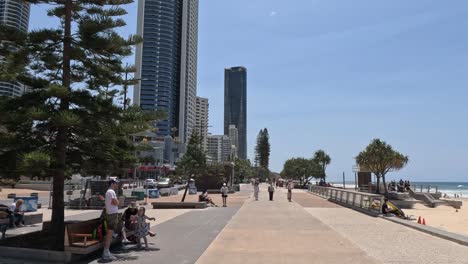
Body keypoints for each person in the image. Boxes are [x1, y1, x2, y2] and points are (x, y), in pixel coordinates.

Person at [102, 179, 119, 261]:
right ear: (112, 183)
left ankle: (106, 251)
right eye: (115, 183)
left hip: (110, 213)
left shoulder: (108, 192)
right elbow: (115, 202)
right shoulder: (111, 192)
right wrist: (118, 202)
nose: (116, 185)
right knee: (110, 233)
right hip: (112, 214)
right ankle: (106, 252)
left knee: (110, 233)